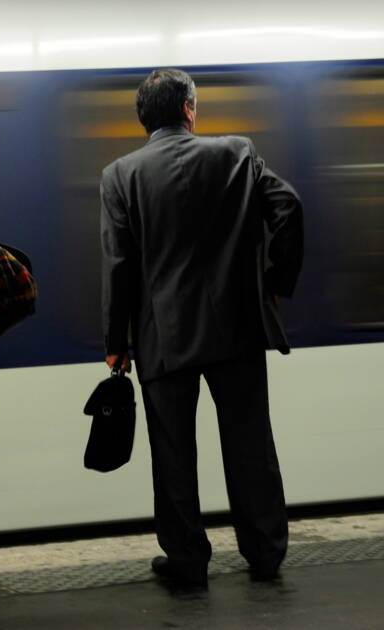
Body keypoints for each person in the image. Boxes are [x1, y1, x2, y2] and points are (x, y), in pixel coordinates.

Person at [100, 68, 304, 589]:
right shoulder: (237, 152)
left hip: (162, 336)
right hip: (237, 329)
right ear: (189, 109)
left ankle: (188, 560)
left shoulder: (120, 175)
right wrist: (276, 281)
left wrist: (115, 342)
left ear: (144, 118)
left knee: (173, 451)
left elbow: (119, 265)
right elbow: (288, 208)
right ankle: (264, 553)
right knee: (250, 444)